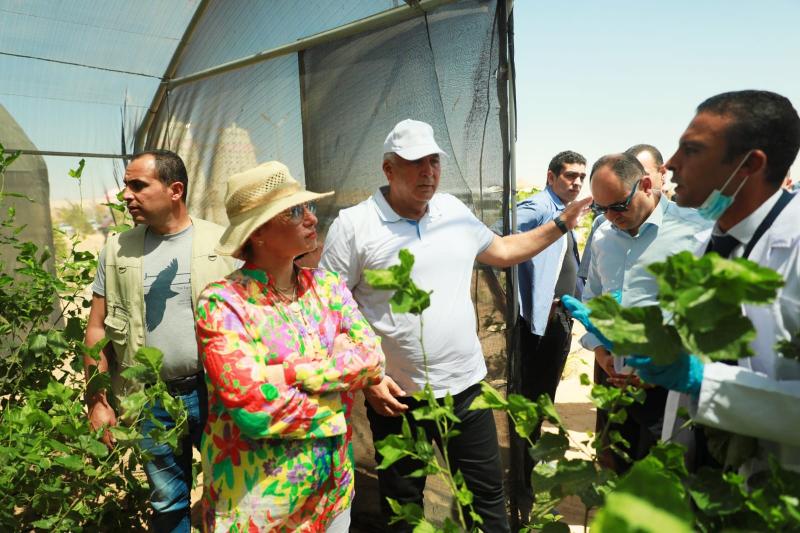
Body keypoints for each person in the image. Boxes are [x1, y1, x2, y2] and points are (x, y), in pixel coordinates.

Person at [321, 119, 591, 531]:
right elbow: (330, 308)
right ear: (389, 169)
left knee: (488, 504)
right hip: (397, 397)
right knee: (404, 509)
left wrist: (560, 225)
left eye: (434, 161)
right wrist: (368, 378)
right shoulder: (354, 226)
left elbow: (502, 250)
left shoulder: (451, 211)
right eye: (415, 163)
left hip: (466, 392)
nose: (428, 172)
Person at [195, 161, 385, 532]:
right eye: (295, 211)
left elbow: (373, 361)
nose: (311, 218)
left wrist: (289, 373)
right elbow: (254, 409)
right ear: (258, 233)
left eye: (309, 207)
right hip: (258, 507)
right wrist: (338, 385)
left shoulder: (327, 287)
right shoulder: (224, 302)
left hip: (332, 496)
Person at [629, 90, 800, 474]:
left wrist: (706, 382)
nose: (670, 164)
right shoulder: (710, 240)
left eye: (691, 150)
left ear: (749, 164)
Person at [83, 150, 236, 531]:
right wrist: (97, 401)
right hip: (150, 397)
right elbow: (97, 328)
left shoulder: (223, 245)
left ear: (175, 190)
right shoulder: (117, 250)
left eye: (138, 185)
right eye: (125, 186)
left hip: (216, 394)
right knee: (168, 503)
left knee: (234, 494)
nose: (126, 196)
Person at [578, 152, 711, 472]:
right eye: (601, 208)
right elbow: (595, 299)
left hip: (670, 390)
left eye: (618, 206)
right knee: (618, 470)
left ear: (647, 185)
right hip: (616, 381)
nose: (610, 217)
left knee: (661, 481)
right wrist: (598, 348)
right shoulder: (603, 237)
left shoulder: (695, 232)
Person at [515, 150, 586, 481]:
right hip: (542, 323)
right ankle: (524, 470)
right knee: (534, 396)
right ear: (551, 177)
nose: (577, 183)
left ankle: (530, 459)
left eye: (581, 178)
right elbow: (504, 230)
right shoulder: (541, 207)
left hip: (559, 319)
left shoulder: (562, 211)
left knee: (544, 393)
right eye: (571, 176)